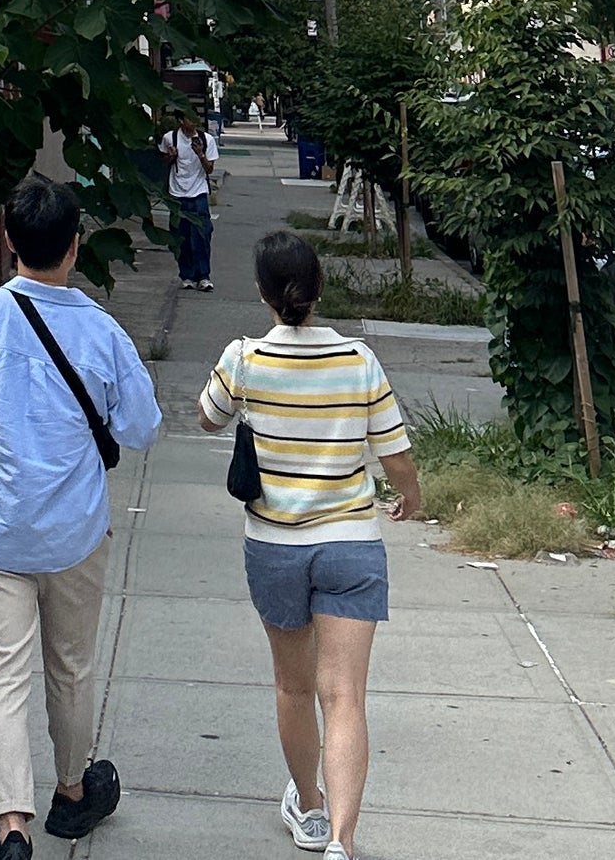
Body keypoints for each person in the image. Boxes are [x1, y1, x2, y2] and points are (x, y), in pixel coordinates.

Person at [0, 175, 163, 860]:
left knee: (3, 671)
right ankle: (73, 795)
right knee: (72, 668)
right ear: (74, 246)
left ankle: (11, 825)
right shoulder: (101, 331)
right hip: (75, 533)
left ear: (9, 242)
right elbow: (142, 426)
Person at [198, 229, 421, 860]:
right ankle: (343, 845)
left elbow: (206, 415)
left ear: (264, 294)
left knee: (294, 688)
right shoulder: (358, 359)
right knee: (345, 695)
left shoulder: (244, 358)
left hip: (274, 546)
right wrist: (412, 497)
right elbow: (397, 455)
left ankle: (313, 811)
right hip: (352, 542)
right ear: (318, 288)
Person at [159, 113, 220, 290]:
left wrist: (200, 153)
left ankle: (203, 275)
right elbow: (163, 162)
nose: (193, 124)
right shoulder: (170, 138)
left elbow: (209, 169)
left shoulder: (206, 139)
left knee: (202, 234)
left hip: (198, 192)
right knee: (180, 235)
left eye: (196, 120)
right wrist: (171, 156)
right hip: (177, 193)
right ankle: (187, 275)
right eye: (189, 120)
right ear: (181, 121)